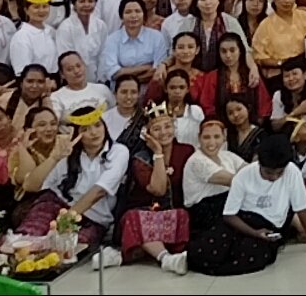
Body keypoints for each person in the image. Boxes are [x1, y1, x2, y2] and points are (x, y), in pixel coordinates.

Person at [188, 135, 306, 276]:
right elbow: (229, 215)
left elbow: (301, 210)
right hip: (242, 222)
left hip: (270, 228)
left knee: (253, 255)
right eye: (268, 173)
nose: (274, 177)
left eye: (279, 173)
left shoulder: (292, 172)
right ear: (259, 163)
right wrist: (254, 232)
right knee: (207, 249)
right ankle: (184, 259)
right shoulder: (244, 175)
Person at [95, 103, 193, 274]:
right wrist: (158, 153)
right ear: (147, 133)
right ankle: (165, 258)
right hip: (142, 212)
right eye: (157, 129)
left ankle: (120, 257)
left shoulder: (187, 151)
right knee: (139, 218)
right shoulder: (140, 158)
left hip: (170, 212)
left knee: (181, 215)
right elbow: (158, 190)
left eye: (168, 126)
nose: (164, 132)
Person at [17, 105, 130, 245]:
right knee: (28, 238)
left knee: (70, 246)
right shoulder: (69, 152)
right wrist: (54, 158)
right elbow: (30, 186)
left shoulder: (118, 151)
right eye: (85, 129)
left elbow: (100, 191)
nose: (94, 132)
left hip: (94, 217)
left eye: (97, 125)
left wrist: (67, 219)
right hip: (57, 204)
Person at [251, 0, 306, 90]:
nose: (287, 0)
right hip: (280, 73)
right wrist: (280, 63)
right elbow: (259, 56)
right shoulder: (265, 25)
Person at [183, 120, 247, 233]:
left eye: (217, 137)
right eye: (206, 137)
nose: (211, 142)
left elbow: (250, 171)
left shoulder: (227, 156)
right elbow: (234, 181)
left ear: (224, 136)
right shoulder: (196, 161)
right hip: (206, 214)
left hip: (226, 206)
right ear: (199, 138)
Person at [198, 33, 271, 122]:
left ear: (240, 51)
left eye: (232, 50)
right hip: (222, 124)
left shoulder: (251, 74)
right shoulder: (213, 77)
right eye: (223, 51)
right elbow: (207, 105)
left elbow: (263, 102)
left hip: (252, 123)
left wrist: (257, 124)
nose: (228, 55)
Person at [101, 0, 169, 84]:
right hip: (121, 89)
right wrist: (145, 67)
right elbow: (113, 73)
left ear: (144, 15)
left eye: (137, 11)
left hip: (149, 88)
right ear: (121, 17)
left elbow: (157, 71)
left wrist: (125, 72)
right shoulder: (112, 39)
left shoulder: (157, 37)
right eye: (128, 12)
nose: (133, 16)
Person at [56, 0, 109, 82]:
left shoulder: (101, 25)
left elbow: (103, 54)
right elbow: (65, 57)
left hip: (97, 77)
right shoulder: (65, 27)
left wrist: (101, 78)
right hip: (73, 77)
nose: (87, 5)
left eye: (90, 1)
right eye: (82, 1)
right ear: (74, 3)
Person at [50, 51, 115, 124]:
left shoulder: (102, 89)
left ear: (84, 65)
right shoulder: (56, 97)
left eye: (78, 66)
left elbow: (115, 111)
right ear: (62, 74)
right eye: (70, 69)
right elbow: (53, 123)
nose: (76, 71)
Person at [9, 0, 59, 76]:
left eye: (45, 6)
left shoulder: (51, 31)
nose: (41, 11)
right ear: (26, 10)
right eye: (36, 7)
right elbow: (21, 70)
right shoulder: (22, 36)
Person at [225, 95, 265, 164]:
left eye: (239, 109)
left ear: (248, 108)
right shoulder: (225, 134)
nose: (235, 115)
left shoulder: (261, 134)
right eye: (230, 113)